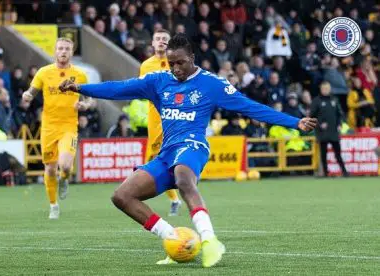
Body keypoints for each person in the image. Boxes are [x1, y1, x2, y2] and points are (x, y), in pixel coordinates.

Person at [59, 34, 317, 268]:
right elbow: (119, 88)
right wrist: (81, 88)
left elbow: (250, 107)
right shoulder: (158, 82)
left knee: (183, 179)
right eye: (171, 64)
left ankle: (210, 240)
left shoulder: (211, 84)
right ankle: (174, 239)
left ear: (192, 58)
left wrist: (294, 122)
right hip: (166, 153)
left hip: (193, 146)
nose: (176, 69)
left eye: (180, 63)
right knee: (122, 196)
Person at [22, 37, 91, 219]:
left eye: (66, 49)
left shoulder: (80, 74)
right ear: (55, 51)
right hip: (48, 128)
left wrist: (85, 105)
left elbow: (91, 98)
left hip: (69, 126)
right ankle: (53, 205)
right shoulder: (44, 73)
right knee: (51, 169)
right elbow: (32, 91)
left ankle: (65, 178)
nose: (63, 52)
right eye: (60, 48)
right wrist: (27, 95)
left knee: (65, 165)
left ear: (72, 52)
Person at [140, 29, 182, 216]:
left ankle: (181, 191)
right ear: (152, 43)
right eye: (157, 39)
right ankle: (174, 198)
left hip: (174, 115)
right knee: (155, 158)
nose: (161, 42)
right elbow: (143, 88)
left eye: (165, 39)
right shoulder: (146, 65)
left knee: (172, 155)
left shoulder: (177, 62)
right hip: (155, 117)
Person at [310, 81, 348, 177]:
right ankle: (325, 172)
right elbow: (311, 116)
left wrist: (339, 124)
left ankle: (344, 172)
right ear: (321, 89)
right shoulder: (316, 101)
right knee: (323, 154)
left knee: (338, 153)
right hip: (322, 133)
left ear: (330, 89)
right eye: (324, 88)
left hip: (334, 131)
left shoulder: (334, 100)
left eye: (327, 88)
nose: (326, 90)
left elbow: (340, 114)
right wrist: (319, 124)